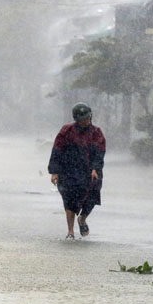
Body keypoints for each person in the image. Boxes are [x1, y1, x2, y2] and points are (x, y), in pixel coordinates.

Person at [48, 102, 106, 240]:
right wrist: (54, 171)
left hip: (90, 171)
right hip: (69, 171)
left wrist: (95, 168)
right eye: (82, 119)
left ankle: (83, 218)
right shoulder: (66, 131)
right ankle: (70, 231)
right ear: (76, 119)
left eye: (87, 118)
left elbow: (100, 153)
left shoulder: (96, 133)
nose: (86, 121)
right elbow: (57, 151)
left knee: (92, 195)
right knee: (68, 199)